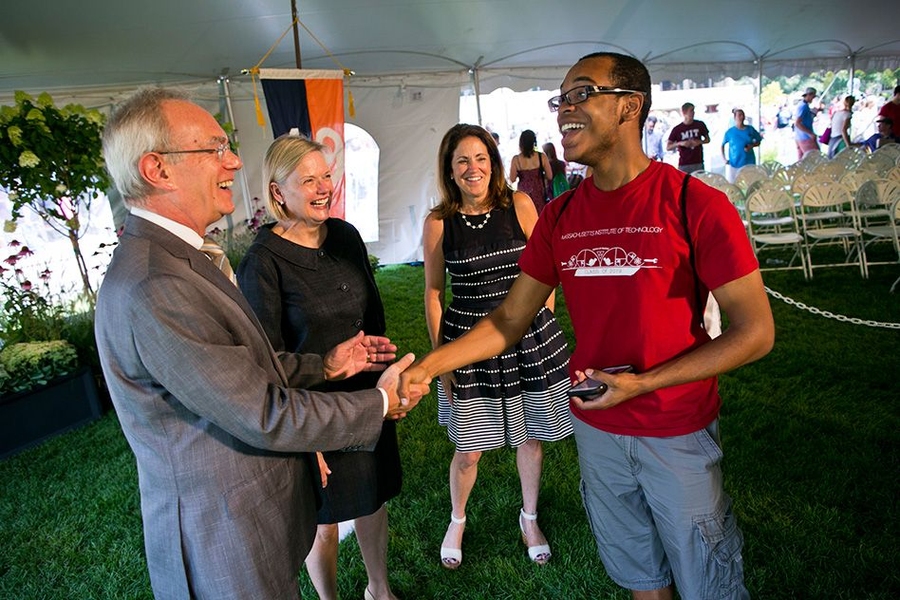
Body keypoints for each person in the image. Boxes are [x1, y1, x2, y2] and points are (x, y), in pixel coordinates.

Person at [401, 52, 775, 600]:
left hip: (675, 430)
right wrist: (429, 366)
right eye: (561, 99)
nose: (564, 111)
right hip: (598, 429)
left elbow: (755, 331)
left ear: (630, 106)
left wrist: (645, 383)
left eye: (580, 94)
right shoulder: (560, 216)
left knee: (709, 581)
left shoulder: (696, 204)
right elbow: (508, 319)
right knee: (641, 578)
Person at [95, 87, 425, 600]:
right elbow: (262, 413)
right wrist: (380, 401)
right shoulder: (154, 284)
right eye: (214, 148)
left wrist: (324, 365)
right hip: (223, 539)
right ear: (157, 169)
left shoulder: (179, 259)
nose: (233, 160)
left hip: (248, 523)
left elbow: (243, 367)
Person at [236, 135, 401, 600]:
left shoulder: (345, 236)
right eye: (307, 180)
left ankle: (379, 590)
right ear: (277, 192)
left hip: (366, 399)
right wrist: (302, 439)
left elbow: (373, 318)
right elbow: (265, 364)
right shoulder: (262, 264)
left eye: (326, 175)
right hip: (311, 410)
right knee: (324, 523)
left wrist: (384, 384)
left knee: (372, 501)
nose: (323, 186)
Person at [423, 123, 573, 570]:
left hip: (529, 339)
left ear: (494, 162)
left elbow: (546, 270)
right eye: (463, 161)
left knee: (533, 439)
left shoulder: (522, 204)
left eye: (481, 158)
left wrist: (540, 315)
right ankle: (457, 518)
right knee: (469, 447)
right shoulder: (438, 222)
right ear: (450, 171)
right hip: (468, 343)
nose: (474, 168)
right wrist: (440, 362)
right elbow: (433, 295)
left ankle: (529, 518)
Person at [509, 129, 553, 214]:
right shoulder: (541, 156)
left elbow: (512, 179)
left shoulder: (516, 159)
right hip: (539, 192)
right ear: (534, 142)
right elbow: (550, 176)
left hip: (524, 193)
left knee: (526, 216)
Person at [666, 102, 710, 173]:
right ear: (684, 112)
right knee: (684, 183)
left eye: (693, 110)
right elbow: (668, 147)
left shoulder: (700, 125)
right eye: (691, 110)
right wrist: (680, 143)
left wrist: (699, 142)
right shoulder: (677, 129)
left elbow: (708, 139)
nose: (693, 113)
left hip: (698, 161)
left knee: (699, 182)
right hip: (684, 163)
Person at [721, 108, 763, 182]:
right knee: (734, 185)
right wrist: (724, 159)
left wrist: (751, 146)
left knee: (750, 183)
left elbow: (758, 141)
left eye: (743, 115)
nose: (741, 117)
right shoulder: (730, 132)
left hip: (749, 162)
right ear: (735, 118)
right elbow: (722, 145)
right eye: (739, 115)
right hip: (735, 163)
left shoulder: (750, 129)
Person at [793, 87, 821, 159]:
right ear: (809, 95)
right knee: (815, 158)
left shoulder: (802, 105)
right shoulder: (803, 106)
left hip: (799, 137)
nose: (813, 98)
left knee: (802, 161)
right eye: (813, 96)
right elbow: (797, 123)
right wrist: (810, 134)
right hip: (805, 137)